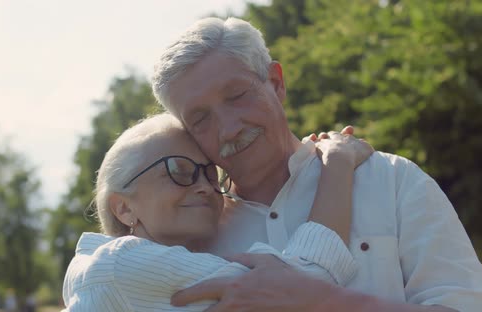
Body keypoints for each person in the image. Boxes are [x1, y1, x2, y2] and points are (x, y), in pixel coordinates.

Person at [151, 17, 482, 311]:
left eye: (238, 96)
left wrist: (321, 299)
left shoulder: (390, 180)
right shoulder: (190, 235)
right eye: (200, 119)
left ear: (276, 82)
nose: (228, 128)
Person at [62, 113, 373, 311]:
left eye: (211, 174)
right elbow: (302, 286)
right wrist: (337, 162)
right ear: (124, 208)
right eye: (179, 172)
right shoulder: (123, 264)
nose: (204, 186)